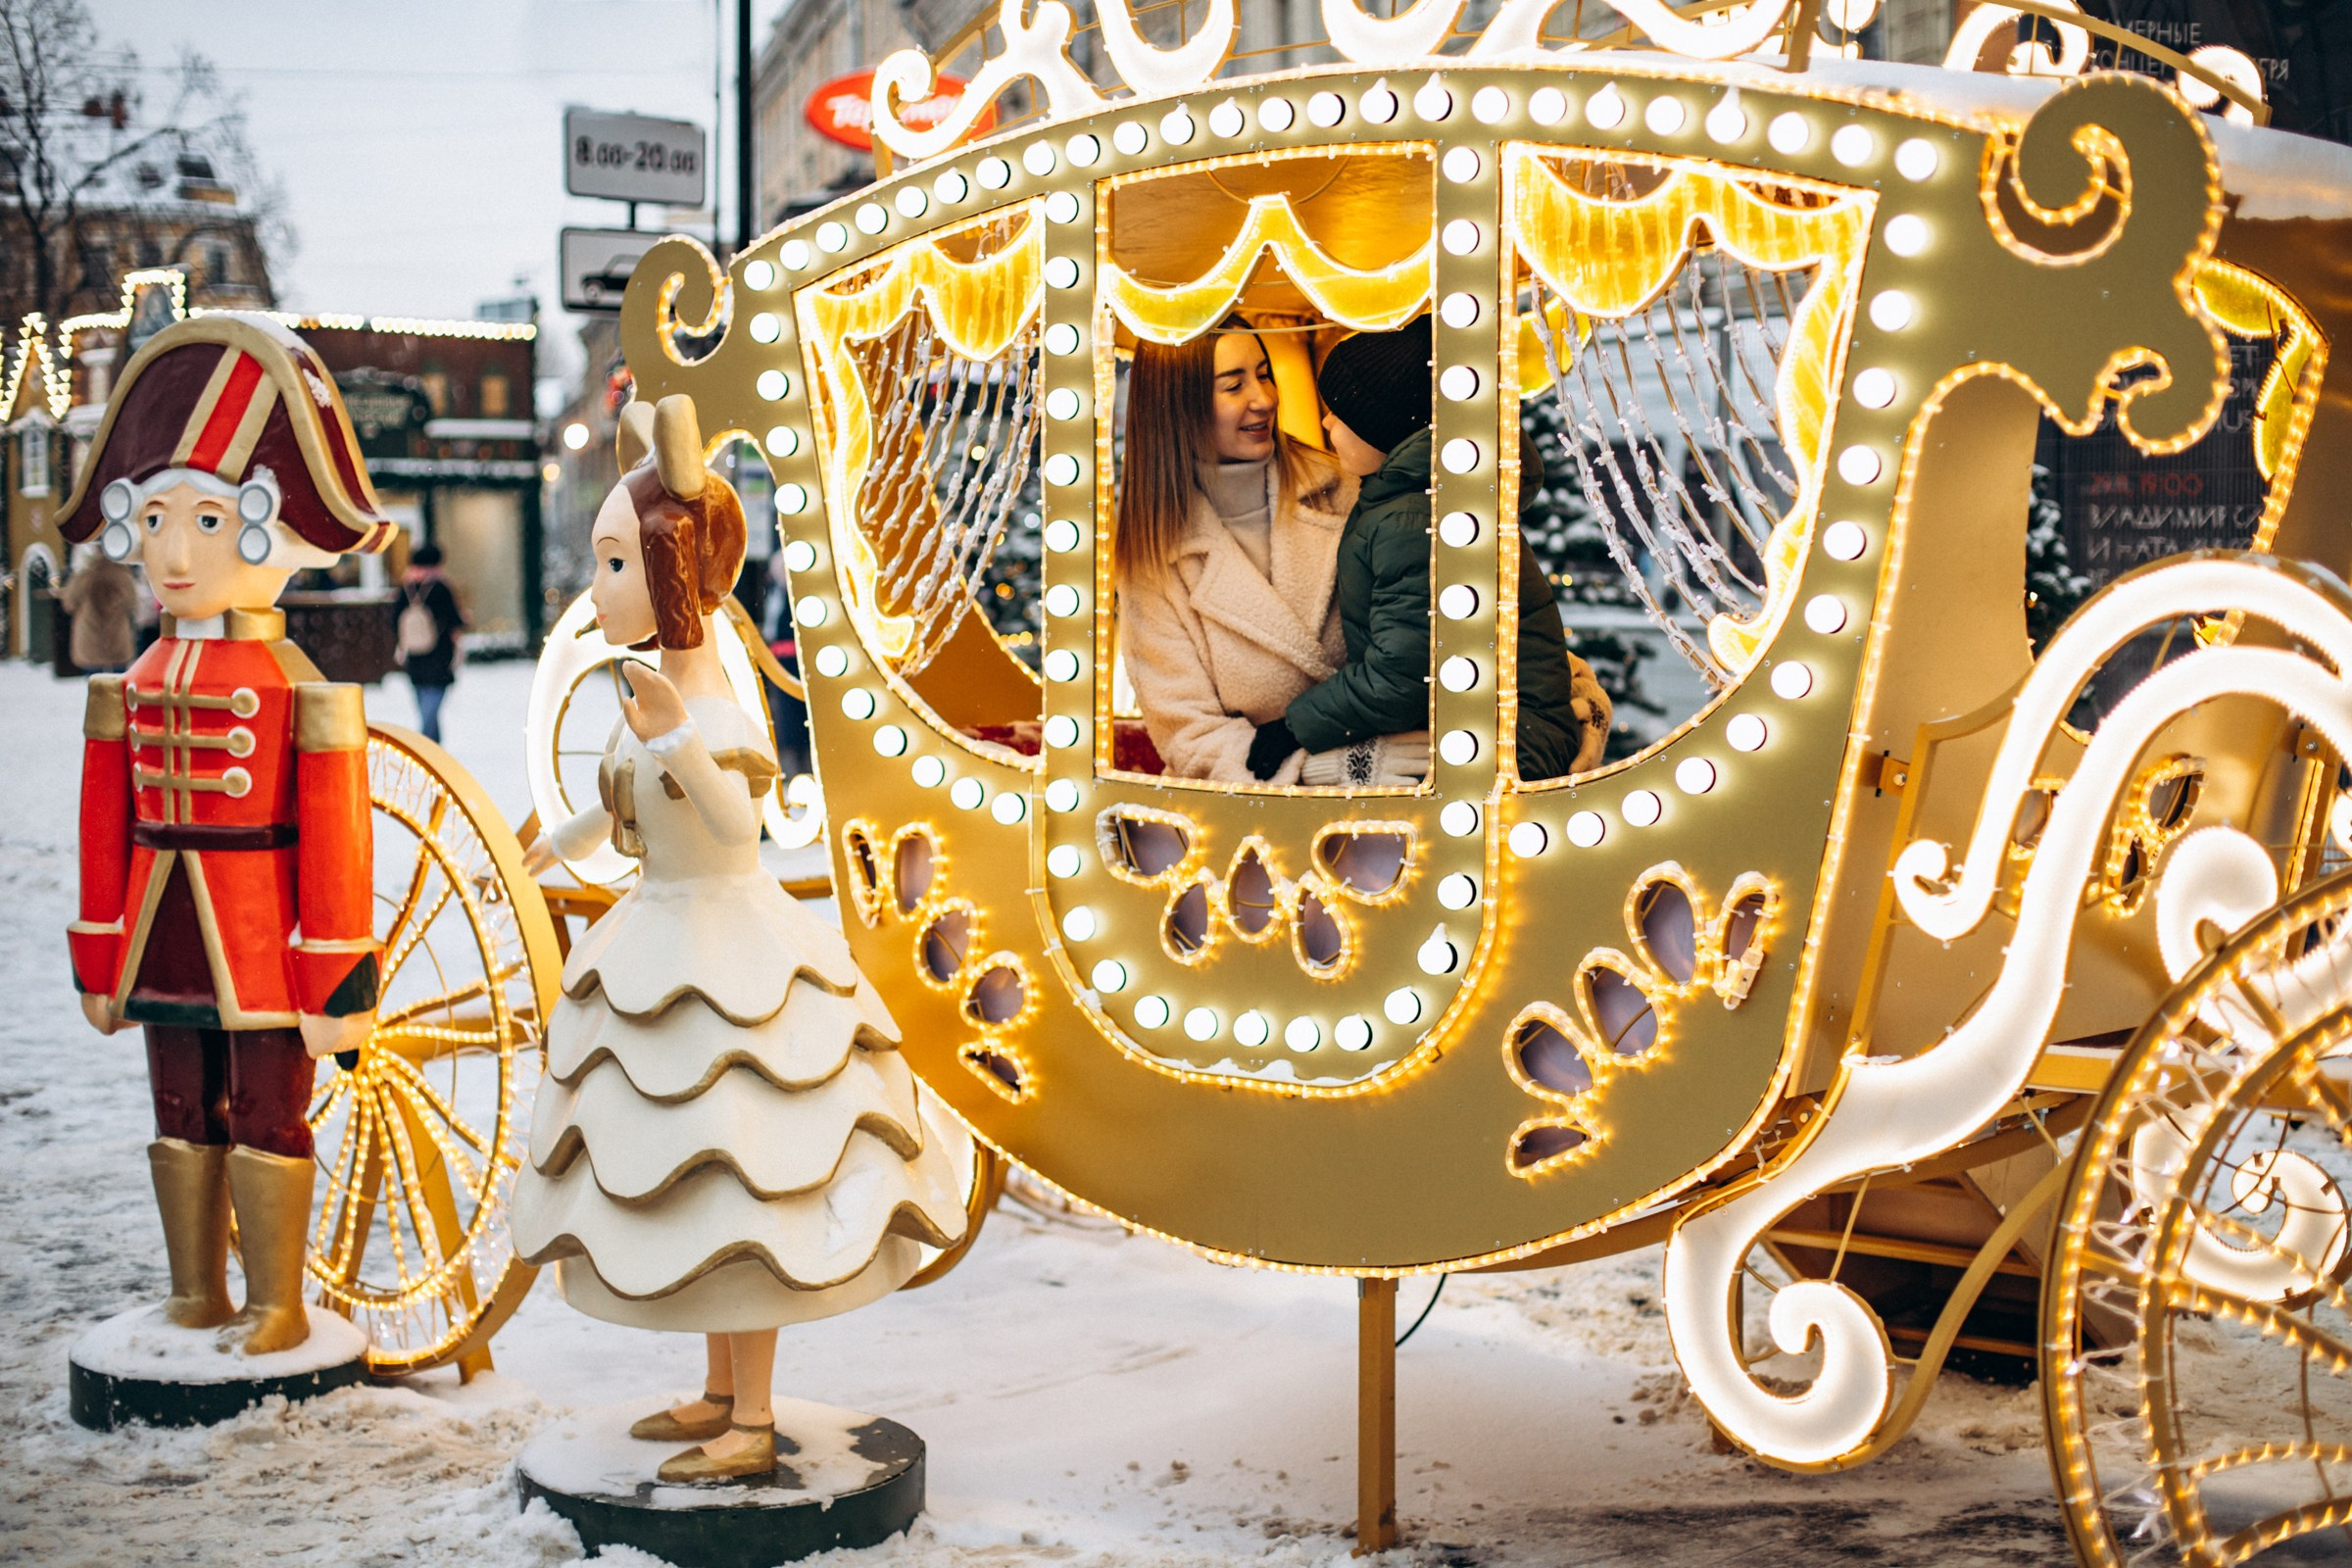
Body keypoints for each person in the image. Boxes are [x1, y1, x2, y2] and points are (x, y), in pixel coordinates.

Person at [512, 395, 967, 1485]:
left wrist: (679, 744)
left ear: (671, 571)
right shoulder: (656, 694)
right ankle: (722, 1390)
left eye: (616, 565)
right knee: (693, 1178)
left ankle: (752, 1416)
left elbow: (728, 823)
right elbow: (626, 807)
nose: (597, 588)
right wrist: (557, 839)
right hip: (659, 937)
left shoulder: (706, 703)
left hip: (728, 953)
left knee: (744, 1173)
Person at [56, 315, 389, 1355]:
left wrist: (338, 974)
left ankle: (276, 1300)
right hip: (161, 929)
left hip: (262, 935)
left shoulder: (296, 686)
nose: (171, 550)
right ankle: (195, 1287)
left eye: (202, 521)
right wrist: (100, 951)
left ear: (262, 527)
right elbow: (101, 826)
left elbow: (335, 839)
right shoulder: (134, 684)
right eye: (153, 520)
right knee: (176, 1102)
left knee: (265, 1109)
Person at [1247, 315, 1608, 783]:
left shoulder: (1412, 521)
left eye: (1342, 414)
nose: (1325, 421)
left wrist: (1296, 726)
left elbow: (1403, 673)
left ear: (1385, 431)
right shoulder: (1409, 499)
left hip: (1502, 748)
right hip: (1496, 734)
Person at [1114, 318, 1358, 783]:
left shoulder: (1346, 492)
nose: (1264, 399)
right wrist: (1323, 771)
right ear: (1177, 407)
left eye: (1264, 374)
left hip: (1391, 799)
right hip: (1245, 814)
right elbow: (1191, 735)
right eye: (1234, 385)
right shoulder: (1152, 553)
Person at [396, 542, 466, 742]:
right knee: (433, 701)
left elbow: (394, 620)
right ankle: (426, 741)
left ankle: (432, 748)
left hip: (414, 655)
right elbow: (454, 620)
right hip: (438, 654)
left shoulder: (406, 588)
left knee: (422, 698)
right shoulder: (441, 588)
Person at [60, 541, 139, 673]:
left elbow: (69, 604)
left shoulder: (84, 576)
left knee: (94, 687)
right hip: (117, 641)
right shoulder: (122, 575)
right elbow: (132, 603)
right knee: (118, 687)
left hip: (89, 640)